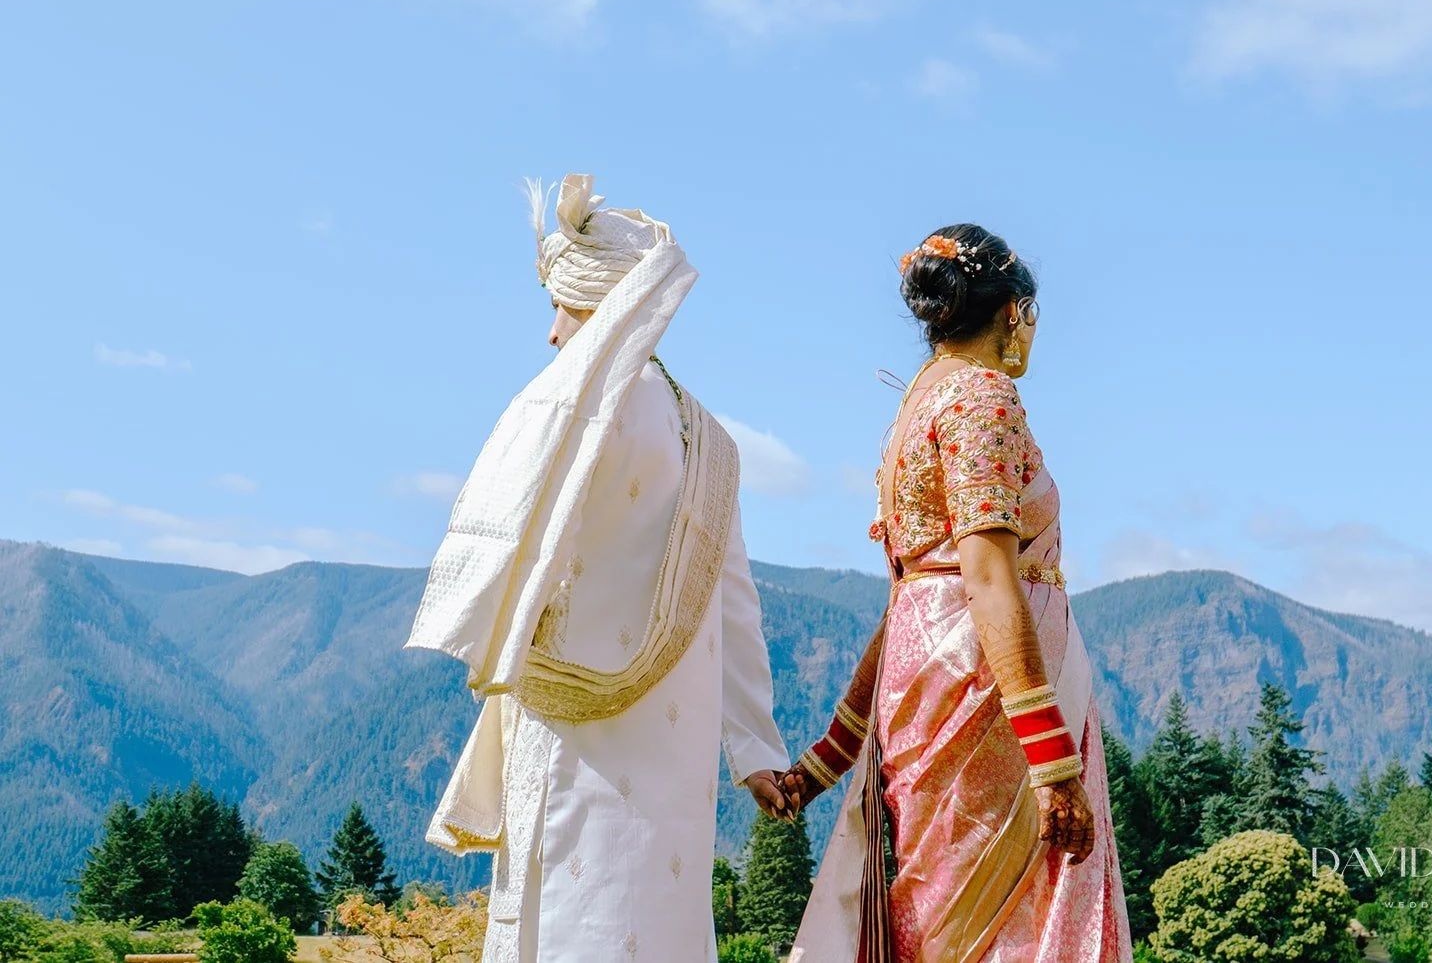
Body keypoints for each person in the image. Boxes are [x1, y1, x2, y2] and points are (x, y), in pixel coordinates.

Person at [405, 173, 791, 962]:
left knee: (566, 916)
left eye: (565, 309)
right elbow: (735, 602)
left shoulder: (568, 412)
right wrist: (757, 749)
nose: (552, 334)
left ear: (603, 306)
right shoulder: (710, 440)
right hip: (673, 738)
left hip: (572, 723)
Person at [784, 225, 1133, 962]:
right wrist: (1055, 766)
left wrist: (827, 757)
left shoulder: (912, 409)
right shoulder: (982, 396)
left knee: (940, 912)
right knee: (1005, 917)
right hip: (982, 691)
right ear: (1013, 312)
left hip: (926, 673)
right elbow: (987, 575)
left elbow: (906, 599)